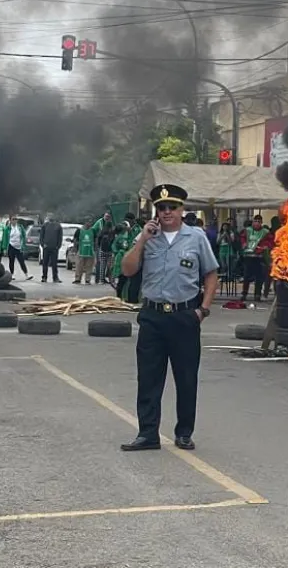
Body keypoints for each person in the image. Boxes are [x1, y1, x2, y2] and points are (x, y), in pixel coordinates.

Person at [119, 183, 218, 452]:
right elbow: (127, 270)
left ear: (182, 209)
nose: (166, 212)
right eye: (161, 208)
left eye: (171, 207)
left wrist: (203, 310)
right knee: (149, 378)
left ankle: (184, 432)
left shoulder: (196, 237)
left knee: (186, 378)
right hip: (152, 316)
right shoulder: (148, 238)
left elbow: (211, 274)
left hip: (184, 316)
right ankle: (147, 434)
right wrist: (142, 240)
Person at [240, 214, 270, 302]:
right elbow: (242, 238)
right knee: (246, 276)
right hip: (248, 257)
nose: (256, 223)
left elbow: (269, 241)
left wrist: (265, 246)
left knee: (259, 277)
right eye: (255, 221)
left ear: (261, 223)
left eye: (258, 222)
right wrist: (243, 244)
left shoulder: (265, 232)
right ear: (252, 222)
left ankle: (257, 295)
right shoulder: (247, 230)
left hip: (259, 257)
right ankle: (244, 294)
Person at [5, 215, 32, 279]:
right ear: (10, 220)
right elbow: (5, 238)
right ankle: (12, 274)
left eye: (16, 219)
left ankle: (26, 274)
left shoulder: (20, 227)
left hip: (18, 246)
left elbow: (23, 235)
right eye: (13, 219)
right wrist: (4, 248)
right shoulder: (7, 228)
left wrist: (23, 244)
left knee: (21, 261)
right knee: (11, 261)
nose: (14, 221)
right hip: (11, 246)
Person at [40, 214, 64, 283]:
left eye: (52, 216)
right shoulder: (44, 225)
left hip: (54, 248)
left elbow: (60, 237)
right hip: (46, 247)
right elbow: (41, 236)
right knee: (45, 263)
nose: (51, 217)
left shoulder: (58, 226)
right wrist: (42, 244)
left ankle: (55, 278)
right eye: (49, 216)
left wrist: (58, 246)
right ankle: (44, 277)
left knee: (54, 263)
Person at [73, 220, 96, 284]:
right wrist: (75, 248)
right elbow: (75, 239)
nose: (90, 223)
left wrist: (95, 249)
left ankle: (87, 279)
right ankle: (77, 279)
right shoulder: (79, 230)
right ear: (85, 222)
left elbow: (95, 239)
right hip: (81, 251)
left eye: (91, 222)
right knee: (79, 266)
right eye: (88, 222)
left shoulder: (93, 230)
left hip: (90, 251)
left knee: (89, 266)